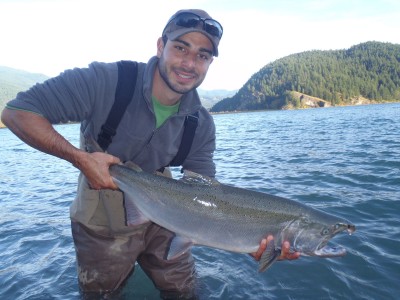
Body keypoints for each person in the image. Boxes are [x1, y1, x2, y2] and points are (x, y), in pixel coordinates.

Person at [1, 8, 299, 299]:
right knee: (102, 295)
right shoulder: (106, 81)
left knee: (186, 292)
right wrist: (81, 159)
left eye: (202, 56)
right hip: (100, 218)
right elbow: (17, 112)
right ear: (160, 46)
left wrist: (250, 241)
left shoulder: (201, 123)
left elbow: (206, 195)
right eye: (181, 48)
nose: (189, 63)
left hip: (168, 215)